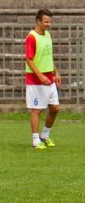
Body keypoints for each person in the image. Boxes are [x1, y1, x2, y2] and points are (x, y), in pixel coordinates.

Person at [25, 9, 61, 150]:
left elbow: (48, 56)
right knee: (37, 110)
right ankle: (35, 140)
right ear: (38, 21)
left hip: (49, 79)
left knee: (55, 108)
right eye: (46, 21)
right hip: (36, 80)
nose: (49, 24)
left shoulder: (47, 35)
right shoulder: (31, 37)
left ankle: (44, 136)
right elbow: (29, 59)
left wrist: (56, 72)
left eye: (50, 21)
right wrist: (40, 76)